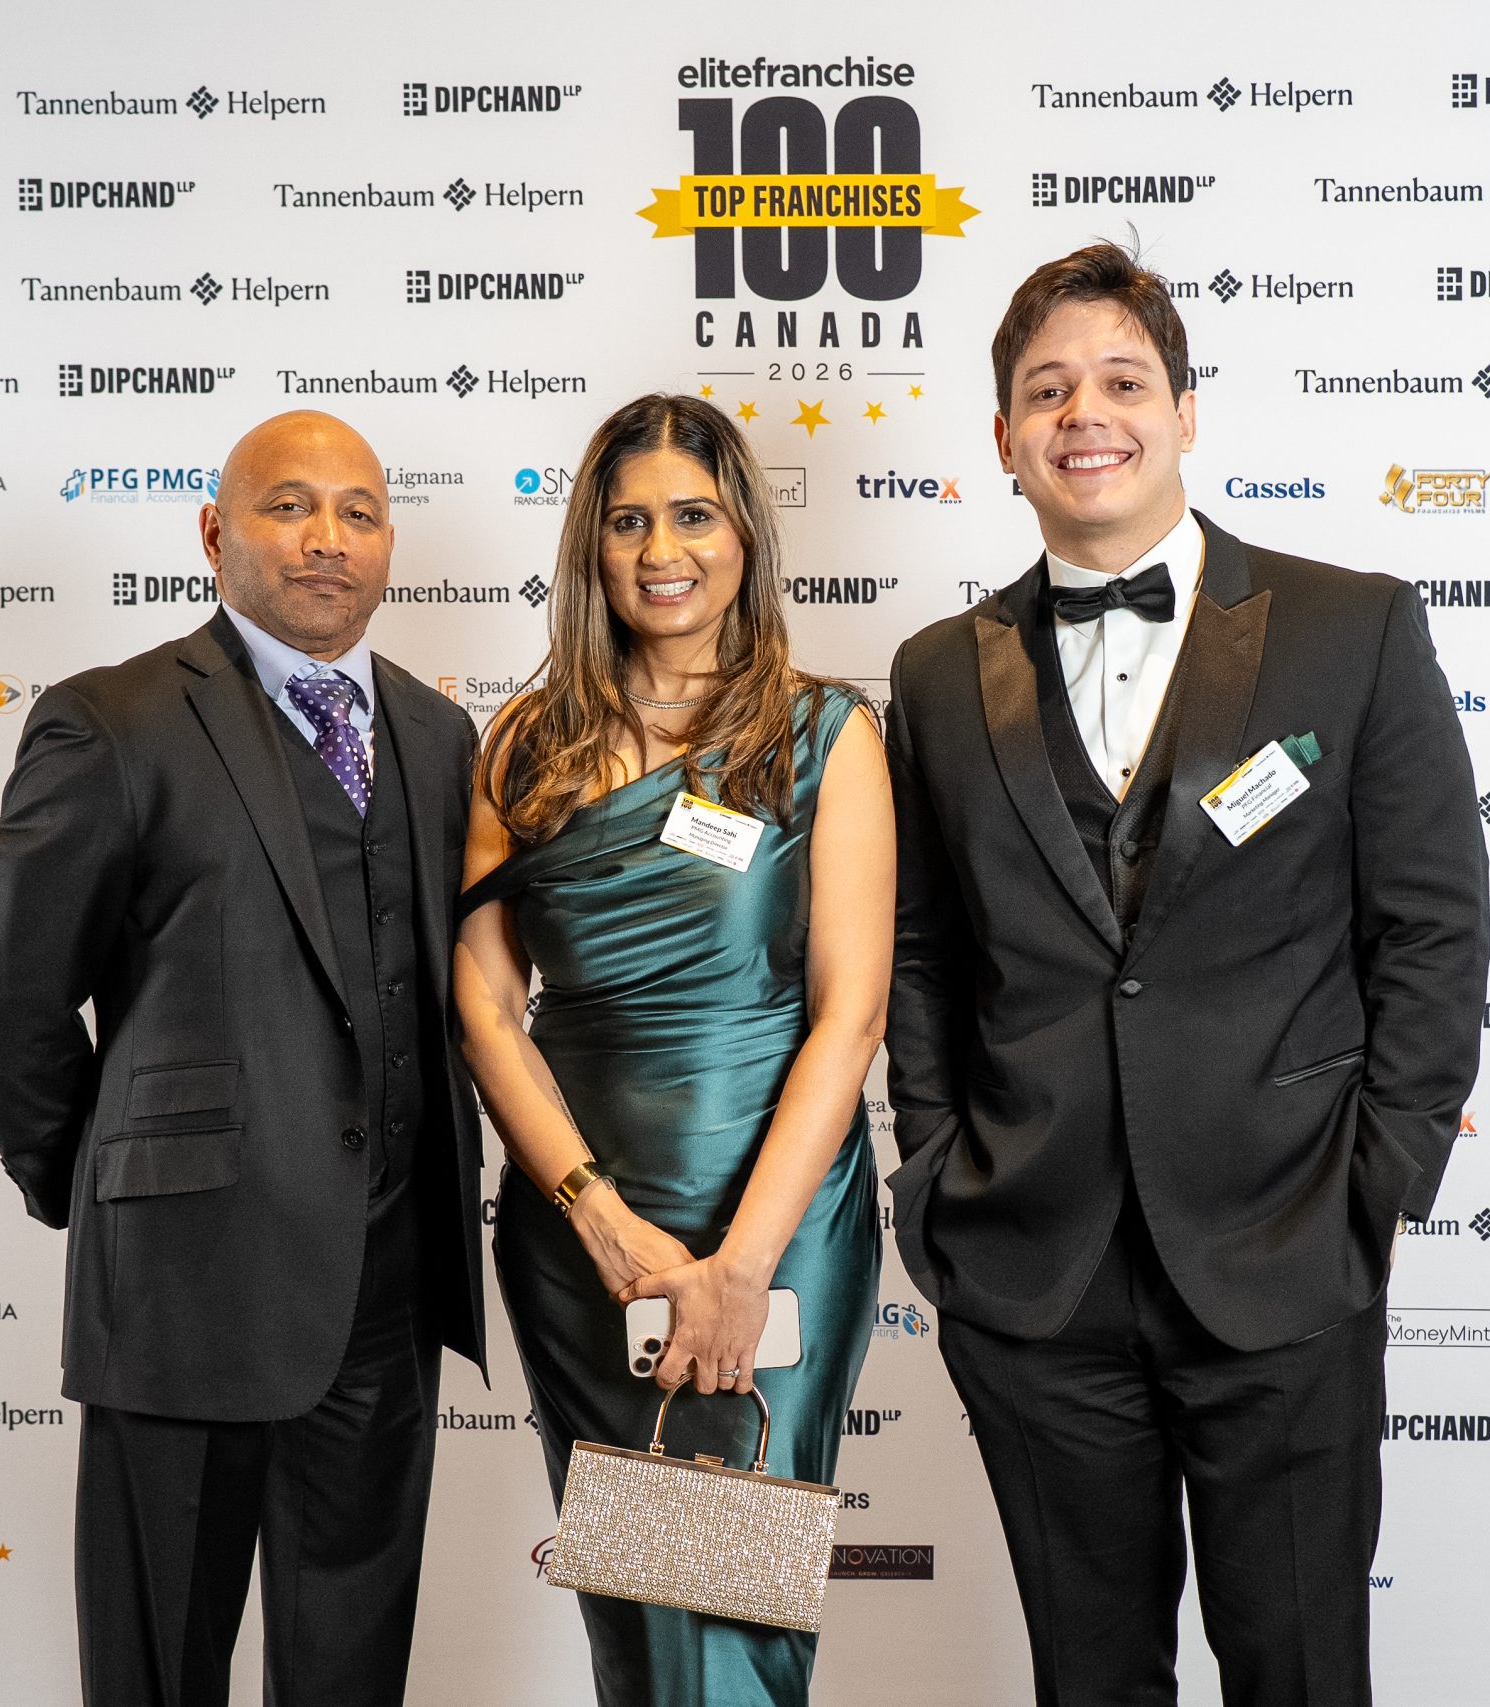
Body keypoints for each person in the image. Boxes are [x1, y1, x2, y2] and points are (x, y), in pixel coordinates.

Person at [883, 243, 1490, 1706]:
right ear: (1003, 437)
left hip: (1288, 1248)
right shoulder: (937, 672)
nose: (1085, 415)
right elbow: (924, 952)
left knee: (1301, 1673)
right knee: (1090, 1683)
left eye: (1121, 381)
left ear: (1186, 411)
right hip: (1036, 1270)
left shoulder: (1351, 626)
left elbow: (1433, 924)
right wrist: (942, 1167)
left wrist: (1380, 1179)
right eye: (1048, 392)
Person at [0, 411, 485, 1707]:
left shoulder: (439, 737)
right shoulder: (112, 722)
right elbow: (9, 1003)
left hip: (390, 1297)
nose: (327, 538)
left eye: (359, 513)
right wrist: (107, 1191)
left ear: (388, 544)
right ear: (214, 534)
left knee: (353, 1677)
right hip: (183, 1296)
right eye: (289, 506)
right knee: (159, 1674)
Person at [453, 393, 893, 1707]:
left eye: (694, 515)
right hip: (585, 1234)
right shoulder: (525, 744)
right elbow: (486, 1005)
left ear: (745, 535)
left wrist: (739, 1268)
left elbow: (851, 1017)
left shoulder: (824, 736)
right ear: (590, 547)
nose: (662, 550)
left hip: (775, 1227)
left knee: (737, 1613)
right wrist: (597, 1218)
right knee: (644, 1621)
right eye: (628, 521)